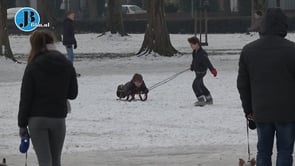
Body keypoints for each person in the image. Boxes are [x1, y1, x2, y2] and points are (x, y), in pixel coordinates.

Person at [237, 8, 295, 166]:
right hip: (288, 111)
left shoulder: (248, 51)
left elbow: (243, 84)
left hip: (261, 110)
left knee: (263, 151)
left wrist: (248, 110)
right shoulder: (292, 50)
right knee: (285, 150)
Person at [18, 30, 78, 166]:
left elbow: (25, 98)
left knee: (45, 161)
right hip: (58, 118)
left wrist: (22, 125)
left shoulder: (33, 65)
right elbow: (73, 94)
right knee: (56, 160)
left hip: (37, 119)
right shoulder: (66, 63)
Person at [188, 36, 217, 106]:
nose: (191, 46)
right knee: (201, 85)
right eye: (190, 44)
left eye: (192, 44)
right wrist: (192, 66)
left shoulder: (202, 53)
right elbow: (194, 61)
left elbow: (208, 63)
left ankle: (201, 100)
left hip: (201, 72)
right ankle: (209, 99)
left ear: (197, 44)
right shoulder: (194, 52)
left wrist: (213, 70)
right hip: (197, 71)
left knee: (195, 85)